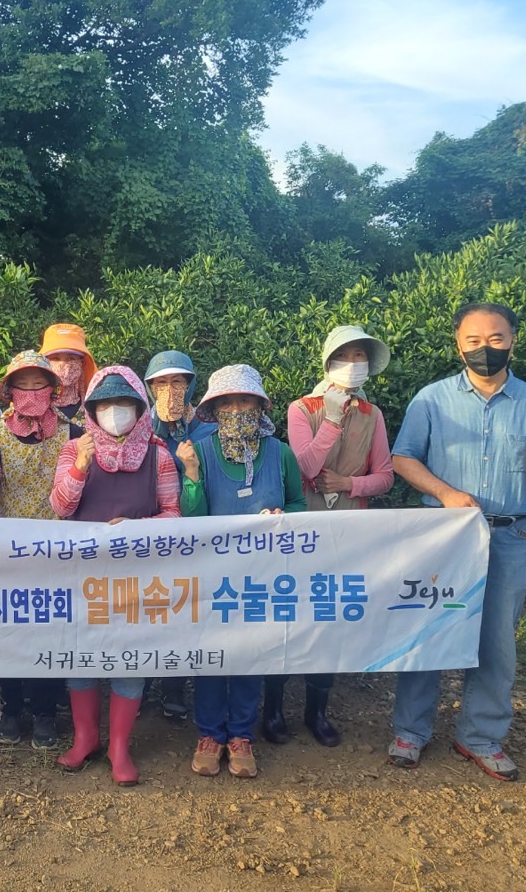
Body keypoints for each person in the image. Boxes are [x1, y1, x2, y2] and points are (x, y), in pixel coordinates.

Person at [387, 302, 526, 782]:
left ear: (512, 339)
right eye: (473, 341)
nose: (484, 349)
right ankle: (410, 731)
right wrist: (446, 493)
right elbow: (403, 459)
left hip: (509, 536)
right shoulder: (430, 399)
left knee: (496, 642)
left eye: (495, 339)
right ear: (458, 344)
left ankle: (479, 735)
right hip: (444, 537)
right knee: (428, 632)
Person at [49, 366, 181, 786]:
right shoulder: (74, 450)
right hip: (84, 573)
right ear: (91, 410)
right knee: (81, 655)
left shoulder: (159, 455)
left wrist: (137, 529)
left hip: (138, 574)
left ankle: (120, 747)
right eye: (105, 404)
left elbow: (173, 514)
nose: (115, 412)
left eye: (124, 404)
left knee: (130, 657)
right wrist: (81, 466)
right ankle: (85, 738)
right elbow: (60, 507)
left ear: (140, 409)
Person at [264, 326, 395, 748]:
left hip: (349, 530)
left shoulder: (374, 415)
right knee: (288, 614)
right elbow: (302, 464)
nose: (354, 364)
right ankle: (273, 709)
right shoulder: (302, 408)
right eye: (346, 355)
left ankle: (316, 712)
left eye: (361, 356)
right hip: (304, 528)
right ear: (329, 361)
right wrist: (334, 420)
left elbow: (386, 477)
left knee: (329, 617)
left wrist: (348, 484)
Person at [182, 364, 306, 780]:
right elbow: (191, 517)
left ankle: (240, 735)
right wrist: (194, 478)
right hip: (212, 577)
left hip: (263, 575)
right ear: (214, 409)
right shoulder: (198, 452)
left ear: (260, 404)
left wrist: (283, 516)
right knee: (212, 657)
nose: (237, 408)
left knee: (251, 655)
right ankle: (210, 734)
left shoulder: (281, 453)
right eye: (228, 402)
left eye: (245, 400)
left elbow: (299, 505)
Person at [0, 351, 82, 750]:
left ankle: (46, 711)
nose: (32, 392)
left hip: (56, 551)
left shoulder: (73, 432)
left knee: (48, 631)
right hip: (4, 549)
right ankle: (10, 707)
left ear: (54, 389)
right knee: (8, 630)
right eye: (24, 385)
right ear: (9, 390)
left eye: (40, 384)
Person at [143, 350, 216, 721]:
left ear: (191, 386)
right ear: (149, 387)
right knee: (144, 607)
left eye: (177, 382)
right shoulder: (140, 425)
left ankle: (173, 686)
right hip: (149, 531)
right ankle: (139, 685)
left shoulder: (208, 428)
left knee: (182, 609)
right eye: (160, 383)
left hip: (192, 534)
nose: (169, 389)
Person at [39, 323, 97, 424]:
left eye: (71, 358)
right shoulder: (32, 407)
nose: (63, 364)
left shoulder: (95, 406)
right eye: (55, 358)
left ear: (81, 363)